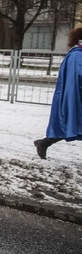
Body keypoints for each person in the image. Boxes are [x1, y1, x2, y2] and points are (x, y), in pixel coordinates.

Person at [34, 27, 82, 159]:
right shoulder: (76, 55)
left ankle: (44, 143)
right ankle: (44, 143)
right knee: (68, 123)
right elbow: (77, 77)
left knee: (73, 124)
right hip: (75, 97)